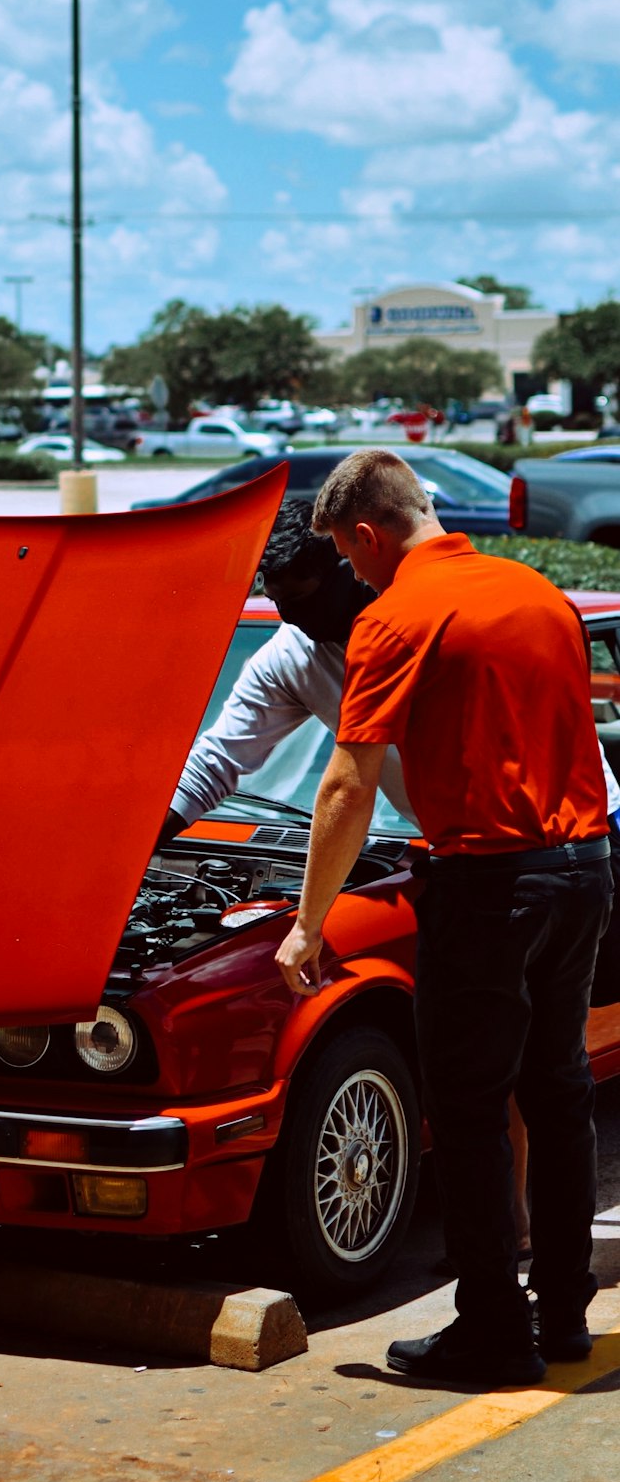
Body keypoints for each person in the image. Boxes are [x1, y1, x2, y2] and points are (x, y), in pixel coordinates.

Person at [275, 449, 612, 1387]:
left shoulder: (395, 616)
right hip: (581, 871)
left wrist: (309, 923)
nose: (354, 575)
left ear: (369, 534)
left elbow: (346, 784)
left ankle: (494, 1331)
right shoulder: (540, 593)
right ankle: (564, 1314)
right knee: (558, 1095)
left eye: (350, 556)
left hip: (488, 885)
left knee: (465, 1109)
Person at [158, 499, 414, 845]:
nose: (293, 617)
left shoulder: (422, 623)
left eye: (302, 599)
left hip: (501, 838)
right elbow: (213, 764)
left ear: (348, 567)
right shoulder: (291, 656)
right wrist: (128, 857)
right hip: (447, 846)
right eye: (279, 602)